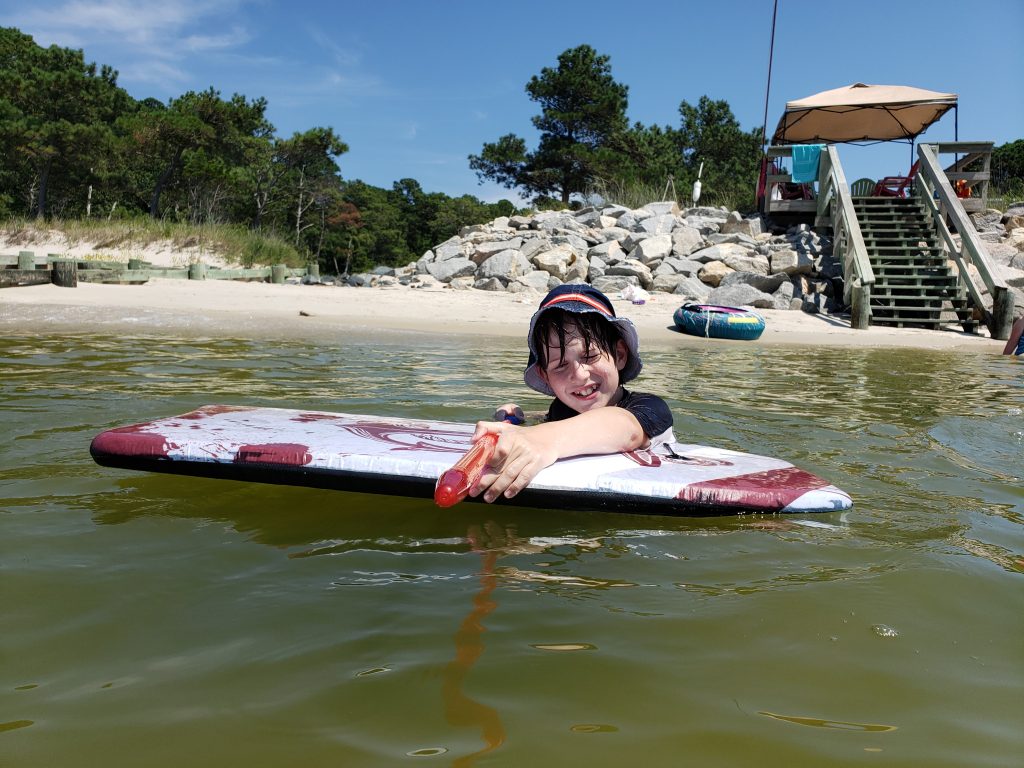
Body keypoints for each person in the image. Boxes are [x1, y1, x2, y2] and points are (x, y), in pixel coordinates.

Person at [469, 284, 674, 503]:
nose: (579, 375)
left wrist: (542, 438)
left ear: (620, 355)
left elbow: (626, 428)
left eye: (590, 356)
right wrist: (520, 416)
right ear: (545, 376)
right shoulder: (561, 409)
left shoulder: (651, 409)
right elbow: (549, 419)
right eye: (560, 366)